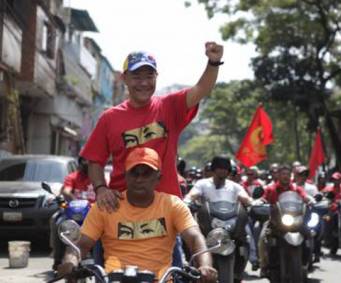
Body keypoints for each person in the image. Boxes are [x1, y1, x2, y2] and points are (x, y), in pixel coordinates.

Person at [80, 41, 224, 213]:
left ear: (156, 77)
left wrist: (213, 63)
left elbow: (201, 89)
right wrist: (101, 189)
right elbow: (95, 160)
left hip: (166, 210)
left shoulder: (170, 107)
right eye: (137, 77)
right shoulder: (109, 118)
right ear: (124, 78)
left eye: (149, 76)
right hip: (121, 209)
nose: (143, 83)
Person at [58, 147, 217, 282]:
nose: (139, 179)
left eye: (146, 173)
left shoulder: (172, 205)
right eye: (134, 173)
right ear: (126, 177)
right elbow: (82, 244)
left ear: (158, 178)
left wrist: (205, 265)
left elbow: (195, 237)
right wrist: (70, 261)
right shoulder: (106, 206)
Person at [257, 164, 310, 275]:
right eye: (283, 174)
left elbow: (305, 197)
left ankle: (308, 259)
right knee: (262, 237)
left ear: (291, 176)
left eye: (287, 174)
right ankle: (264, 265)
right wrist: (260, 202)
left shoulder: (296, 189)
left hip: (295, 221)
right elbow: (263, 199)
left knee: (309, 233)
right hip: (275, 221)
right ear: (278, 175)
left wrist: (311, 200)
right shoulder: (271, 189)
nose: (285, 176)